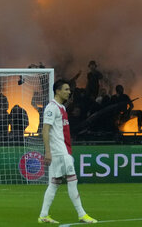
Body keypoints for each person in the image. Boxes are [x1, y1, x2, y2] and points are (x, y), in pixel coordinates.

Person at [38, 81, 97, 224]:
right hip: (60, 152)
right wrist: (48, 152)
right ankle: (82, 214)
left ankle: (43, 215)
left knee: (54, 183)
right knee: (72, 181)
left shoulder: (62, 108)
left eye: (69, 89)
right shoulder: (52, 108)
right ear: (57, 91)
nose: (69, 92)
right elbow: (45, 130)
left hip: (63, 150)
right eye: (66, 89)